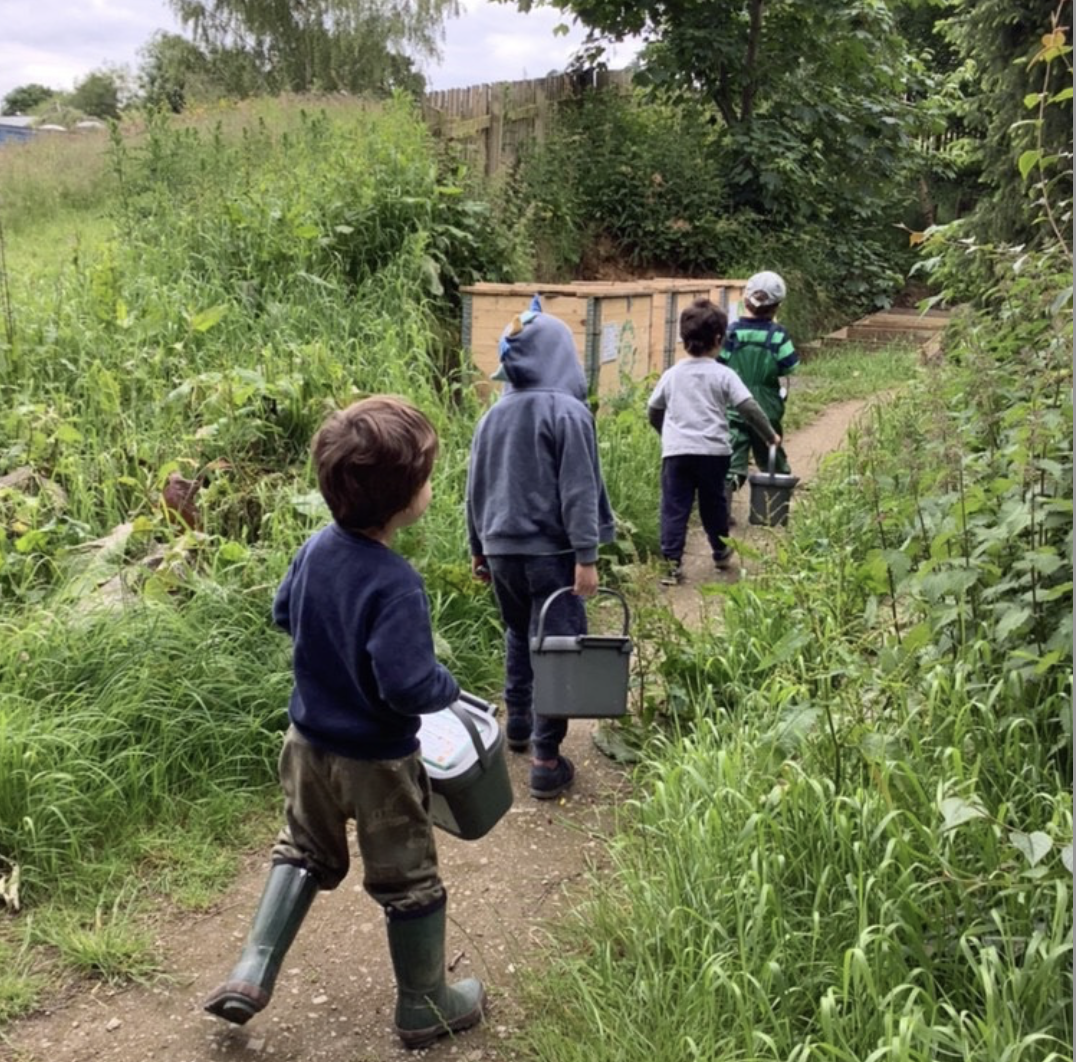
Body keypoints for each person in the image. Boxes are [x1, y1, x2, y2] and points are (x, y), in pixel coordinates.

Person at [203, 396, 486, 1050]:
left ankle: (254, 966)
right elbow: (408, 683)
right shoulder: (396, 584)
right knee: (407, 876)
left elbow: (283, 614)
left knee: (301, 847)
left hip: (306, 745)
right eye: (426, 478)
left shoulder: (314, 550)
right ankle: (423, 1003)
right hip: (377, 763)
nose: (430, 486)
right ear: (404, 501)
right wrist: (448, 686)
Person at [466, 298, 615, 800]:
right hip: (552, 553)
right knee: (558, 647)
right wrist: (586, 556)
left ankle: (519, 723)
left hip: (500, 548)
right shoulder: (567, 412)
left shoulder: (493, 415)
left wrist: (477, 548)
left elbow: (476, 486)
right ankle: (546, 760)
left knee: (517, 631)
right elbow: (578, 489)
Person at [647, 297, 780, 585]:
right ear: (719, 339)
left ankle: (671, 564)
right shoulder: (724, 374)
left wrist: (666, 434)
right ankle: (720, 551)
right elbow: (748, 407)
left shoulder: (671, 375)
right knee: (714, 504)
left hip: (676, 453)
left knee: (674, 505)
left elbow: (654, 409)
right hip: (713, 453)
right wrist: (769, 435)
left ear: (683, 339)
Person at [721, 271, 799, 498]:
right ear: (777, 306)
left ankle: (725, 500)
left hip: (734, 401)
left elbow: (720, 361)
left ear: (745, 300)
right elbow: (790, 366)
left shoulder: (732, 332)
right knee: (770, 450)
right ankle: (775, 500)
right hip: (767, 404)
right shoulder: (778, 335)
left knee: (734, 455)